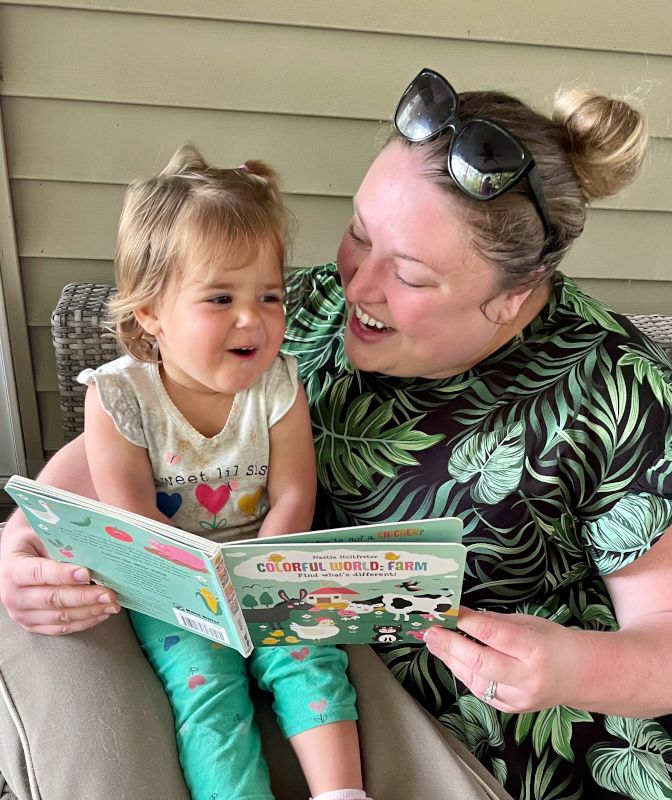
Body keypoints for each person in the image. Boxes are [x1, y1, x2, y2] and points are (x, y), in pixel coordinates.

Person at [1, 65, 671, 800]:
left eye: (409, 276)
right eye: (359, 232)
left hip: (476, 737)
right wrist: (22, 546)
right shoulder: (305, 311)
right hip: (275, 655)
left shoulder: (617, 389)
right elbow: (147, 425)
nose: (356, 284)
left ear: (511, 301)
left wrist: (570, 667)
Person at [71, 144, 373, 800]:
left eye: (269, 295)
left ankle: (342, 794)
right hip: (171, 578)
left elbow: (295, 489)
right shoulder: (119, 397)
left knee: (312, 660)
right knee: (207, 689)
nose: (252, 318)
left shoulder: (277, 385)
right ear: (150, 312)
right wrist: (205, 591)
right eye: (220, 297)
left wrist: (264, 565)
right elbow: (134, 520)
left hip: (267, 559)